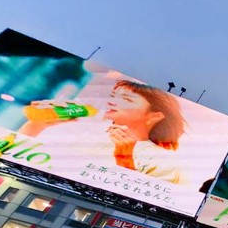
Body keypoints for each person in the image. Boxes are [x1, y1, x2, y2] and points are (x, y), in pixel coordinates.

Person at [19, 80, 190, 187]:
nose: (111, 101)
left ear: (155, 115)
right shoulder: (82, 134)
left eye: (127, 99)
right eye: (114, 95)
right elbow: (17, 155)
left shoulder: (162, 160)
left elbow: (152, 205)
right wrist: (36, 125)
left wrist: (125, 159)